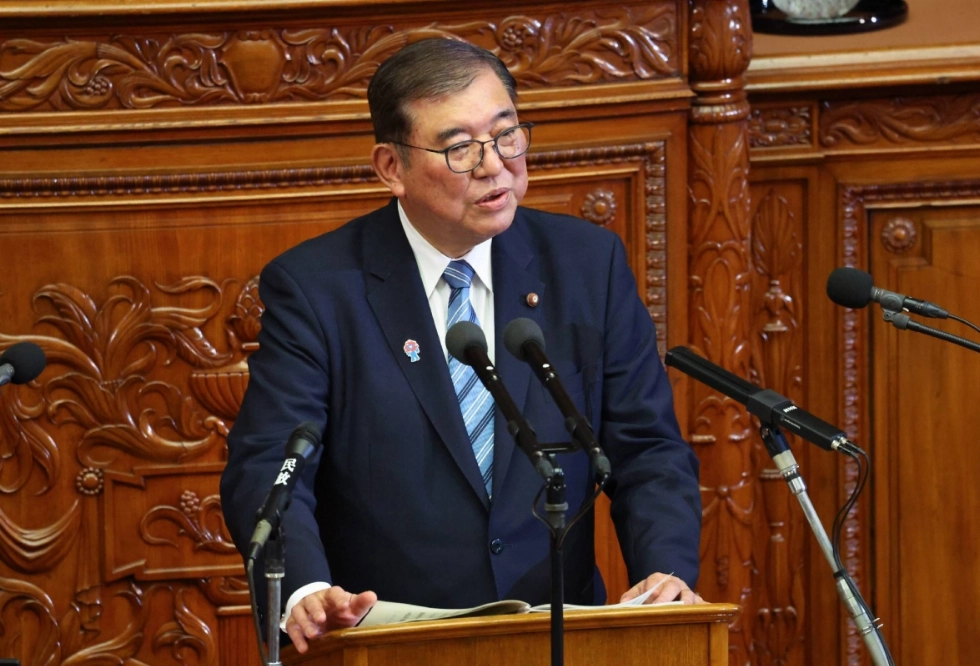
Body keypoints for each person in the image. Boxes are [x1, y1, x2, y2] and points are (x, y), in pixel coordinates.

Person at [220, 37, 703, 655]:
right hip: (391, 646)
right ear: (391, 168)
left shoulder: (587, 266)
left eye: (506, 134)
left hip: (558, 639)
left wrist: (664, 573)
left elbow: (647, 450)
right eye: (458, 148)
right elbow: (271, 463)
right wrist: (305, 588)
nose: (493, 164)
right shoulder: (317, 289)